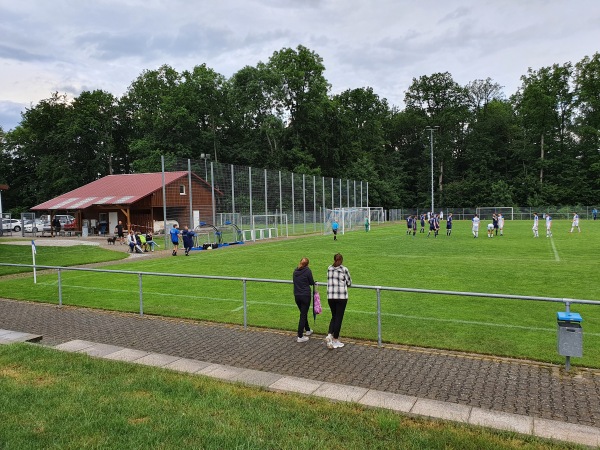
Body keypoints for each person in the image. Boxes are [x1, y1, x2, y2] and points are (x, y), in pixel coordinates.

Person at [326, 253, 351, 350]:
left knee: (334, 316)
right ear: (341, 260)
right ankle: (335, 339)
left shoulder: (329, 268)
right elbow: (349, 282)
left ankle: (329, 335)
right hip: (341, 297)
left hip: (331, 296)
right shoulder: (344, 269)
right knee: (339, 318)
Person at [293, 257, 315, 343]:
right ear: (307, 264)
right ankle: (300, 335)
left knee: (303, 313)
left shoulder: (295, 271)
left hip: (297, 295)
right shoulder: (308, 271)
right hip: (305, 295)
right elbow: (311, 282)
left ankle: (308, 330)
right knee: (303, 315)